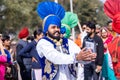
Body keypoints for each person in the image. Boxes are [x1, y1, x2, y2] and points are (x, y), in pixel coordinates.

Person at [36, 1, 96, 80]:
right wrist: (76, 58)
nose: (57, 29)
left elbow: (78, 54)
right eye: (53, 27)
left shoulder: (66, 42)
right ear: (46, 30)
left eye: (58, 27)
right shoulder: (43, 43)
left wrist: (87, 58)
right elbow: (55, 57)